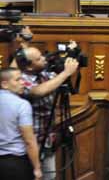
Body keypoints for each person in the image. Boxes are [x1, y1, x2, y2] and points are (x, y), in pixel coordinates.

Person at [16, 46, 79, 180]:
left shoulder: (45, 74)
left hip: (48, 138)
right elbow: (38, 91)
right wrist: (65, 73)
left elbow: (60, 82)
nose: (44, 59)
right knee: (31, 175)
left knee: (50, 176)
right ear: (29, 67)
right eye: (39, 59)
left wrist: (73, 54)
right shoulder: (20, 80)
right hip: (30, 142)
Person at [0, 68, 42, 180]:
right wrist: (37, 168)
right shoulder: (21, 105)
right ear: (5, 84)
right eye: (18, 80)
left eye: (22, 79)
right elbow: (29, 141)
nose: (23, 82)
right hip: (15, 163)